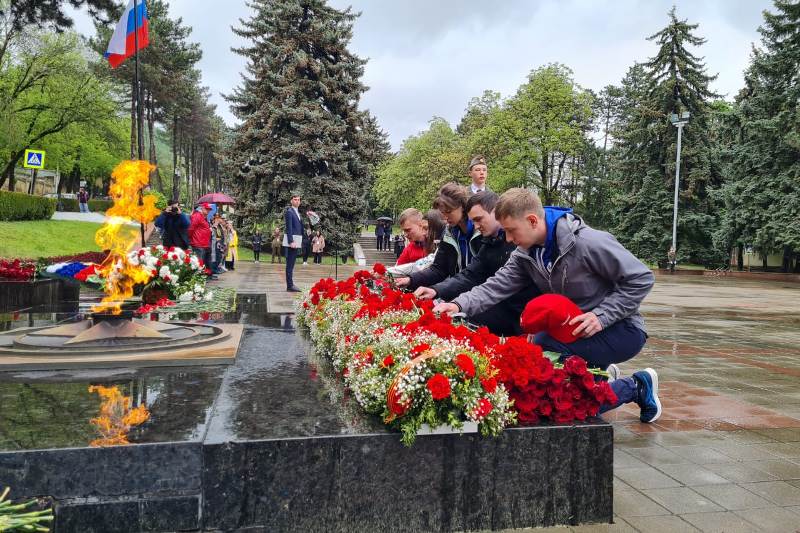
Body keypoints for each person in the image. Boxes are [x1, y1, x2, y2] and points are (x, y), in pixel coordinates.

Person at [432, 188, 661, 423]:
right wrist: (457, 305)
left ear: (532, 221)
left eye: (511, 230)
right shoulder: (526, 252)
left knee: (561, 400)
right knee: (560, 398)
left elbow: (641, 278)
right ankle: (599, 376)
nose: (508, 239)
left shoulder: (588, 242)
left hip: (622, 329)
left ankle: (637, 386)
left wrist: (601, 316)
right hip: (578, 332)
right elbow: (496, 285)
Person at [414, 191, 539, 336]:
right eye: (473, 221)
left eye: (479, 219)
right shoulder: (491, 242)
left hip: (524, 314)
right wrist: (445, 296)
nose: (476, 226)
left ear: (496, 212)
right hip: (505, 307)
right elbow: (479, 278)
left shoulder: (521, 242)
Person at [395, 183, 481, 290]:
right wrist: (411, 280)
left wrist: (437, 291)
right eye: (442, 213)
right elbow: (439, 269)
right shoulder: (449, 233)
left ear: (462, 207)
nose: (445, 217)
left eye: (449, 212)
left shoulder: (480, 231)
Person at [283, 194, 303, 292]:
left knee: (292, 264)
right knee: (290, 264)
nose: (297, 201)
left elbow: (299, 227)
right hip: (292, 242)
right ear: (291, 201)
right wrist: (291, 241)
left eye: (298, 200)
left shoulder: (298, 212)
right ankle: (290, 286)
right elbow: (289, 228)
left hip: (297, 241)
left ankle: (291, 284)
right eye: (295, 199)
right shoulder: (289, 212)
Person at [188, 203, 214, 277]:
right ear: (202, 208)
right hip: (198, 243)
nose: (208, 211)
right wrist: (189, 238)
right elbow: (191, 228)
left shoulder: (204, 217)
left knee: (205, 261)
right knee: (199, 262)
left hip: (205, 243)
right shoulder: (197, 216)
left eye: (209, 209)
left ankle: (205, 276)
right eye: (206, 209)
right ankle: (198, 277)